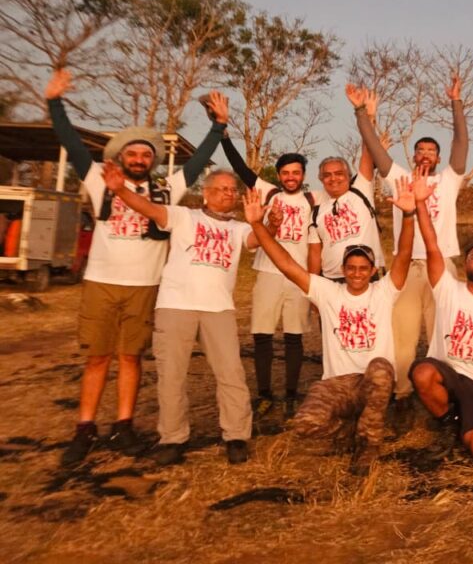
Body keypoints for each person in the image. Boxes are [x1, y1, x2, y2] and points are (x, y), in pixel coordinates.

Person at [45, 68, 228, 466]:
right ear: (120, 158)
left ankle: (124, 425)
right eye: (133, 153)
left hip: (146, 285)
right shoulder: (98, 179)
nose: (140, 159)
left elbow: (196, 165)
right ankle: (85, 427)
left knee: (131, 357)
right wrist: (55, 102)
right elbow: (71, 143)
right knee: (97, 357)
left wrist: (218, 126)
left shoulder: (164, 191)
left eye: (147, 154)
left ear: (152, 161)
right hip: (101, 283)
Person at [243, 179, 415, 476]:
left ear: (373, 271)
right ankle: (349, 431)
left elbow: (404, 256)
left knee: (380, 367)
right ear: (344, 270)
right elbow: (286, 263)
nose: (357, 274)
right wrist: (258, 225)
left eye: (364, 268)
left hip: (372, 381)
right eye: (351, 268)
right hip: (337, 383)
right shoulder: (328, 292)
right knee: (305, 424)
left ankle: (368, 444)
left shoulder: (384, 291)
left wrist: (410, 215)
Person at [102, 164, 258, 466]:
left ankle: (236, 436)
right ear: (206, 193)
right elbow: (149, 209)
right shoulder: (185, 217)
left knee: (231, 375)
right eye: (222, 189)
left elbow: (257, 240)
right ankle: (173, 438)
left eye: (232, 190)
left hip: (219, 309)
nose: (228, 194)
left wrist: (268, 223)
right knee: (171, 376)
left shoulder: (240, 228)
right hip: (175, 305)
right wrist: (120, 190)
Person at [348, 77, 468, 419]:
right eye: (421, 149)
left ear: (439, 157)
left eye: (432, 150)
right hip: (408, 267)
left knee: (444, 334)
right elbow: (374, 148)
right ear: (413, 155)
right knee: (401, 335)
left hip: (442, 265)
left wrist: (456, 102)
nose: (426, 154)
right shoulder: (399, 177)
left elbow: (462, 142)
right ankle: (401, 397)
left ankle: (448, 396)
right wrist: (362, 113)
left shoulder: (449, 179)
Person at [407, 169, 473, 459]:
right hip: (446, 373)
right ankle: (447, 420)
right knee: (423, 372)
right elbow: (431, 245)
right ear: (465, 266)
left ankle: (468, 419)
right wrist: (421, 203)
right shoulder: (448, 288)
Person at [220, 135, 321, 418]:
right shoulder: (269, 193)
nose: (291, 177)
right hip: (267, 271)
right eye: (286, 173)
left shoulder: (314, 199)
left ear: (303, 175)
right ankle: (264, 394)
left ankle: (290, 395)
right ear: (278, 175)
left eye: (296, 172)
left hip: (298, 275)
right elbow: (239, 167)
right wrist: (224, 135)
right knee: (262, 335)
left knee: (294, 337)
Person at [306, 155, 383, 281]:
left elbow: (367, 151)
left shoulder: (361, 191)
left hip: (365, 277)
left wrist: (371, 140)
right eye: (327, 175)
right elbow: (315, 253)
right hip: (331, 281)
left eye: (339, 173)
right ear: (321, 180)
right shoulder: (316, 213)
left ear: (349, 175)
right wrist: (313, 286)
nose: (333, 178)